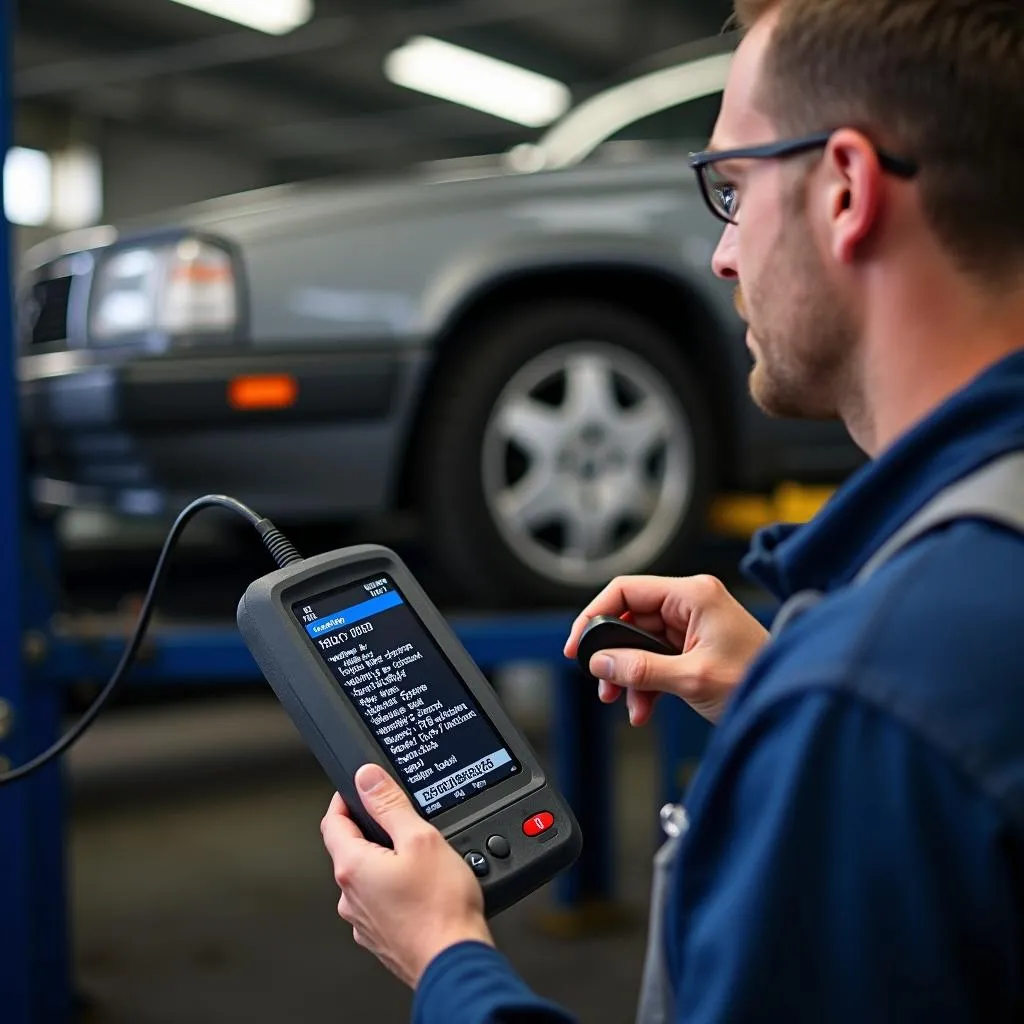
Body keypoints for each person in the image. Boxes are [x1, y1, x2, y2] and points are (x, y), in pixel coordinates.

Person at [319, 0, 1024, 1019]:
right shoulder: (895, 680)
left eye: (732, 190)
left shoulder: (873, 705)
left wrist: (446, 962)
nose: (721, 257)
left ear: (844, 190)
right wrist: (786, 695)